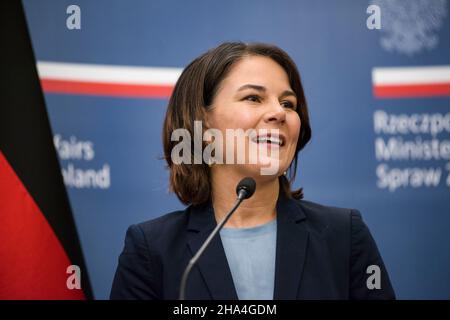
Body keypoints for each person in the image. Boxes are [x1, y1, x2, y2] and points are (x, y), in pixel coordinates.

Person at [110, 42, 395, 300]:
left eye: (288, 103)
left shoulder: (344, 235)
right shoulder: (151, 249)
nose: (279, 113)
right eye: (253, 98)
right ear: (204, 124)